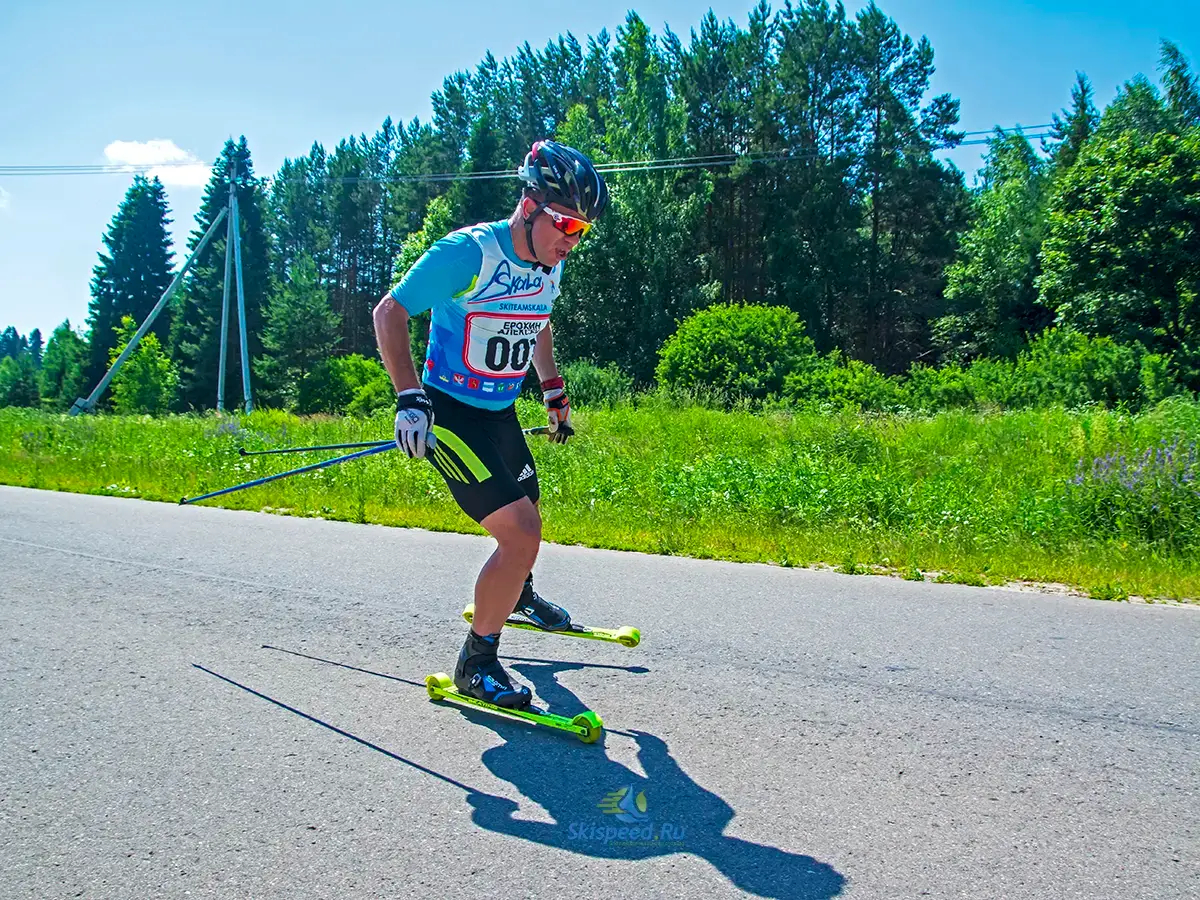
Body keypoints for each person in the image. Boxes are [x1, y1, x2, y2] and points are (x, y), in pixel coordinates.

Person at [372, 140, 609, 710]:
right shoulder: (468, 254)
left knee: (531, 510)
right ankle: (476, 662)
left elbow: (539, 323)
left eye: (584, 231)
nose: (573, 242)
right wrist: (408, 398)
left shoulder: (546, 264)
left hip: (501, 410)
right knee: (521, 531)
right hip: (450, 412)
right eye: (567, 224)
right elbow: (390, 312)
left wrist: (552, 390)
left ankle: (517, 593)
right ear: (530, 207)